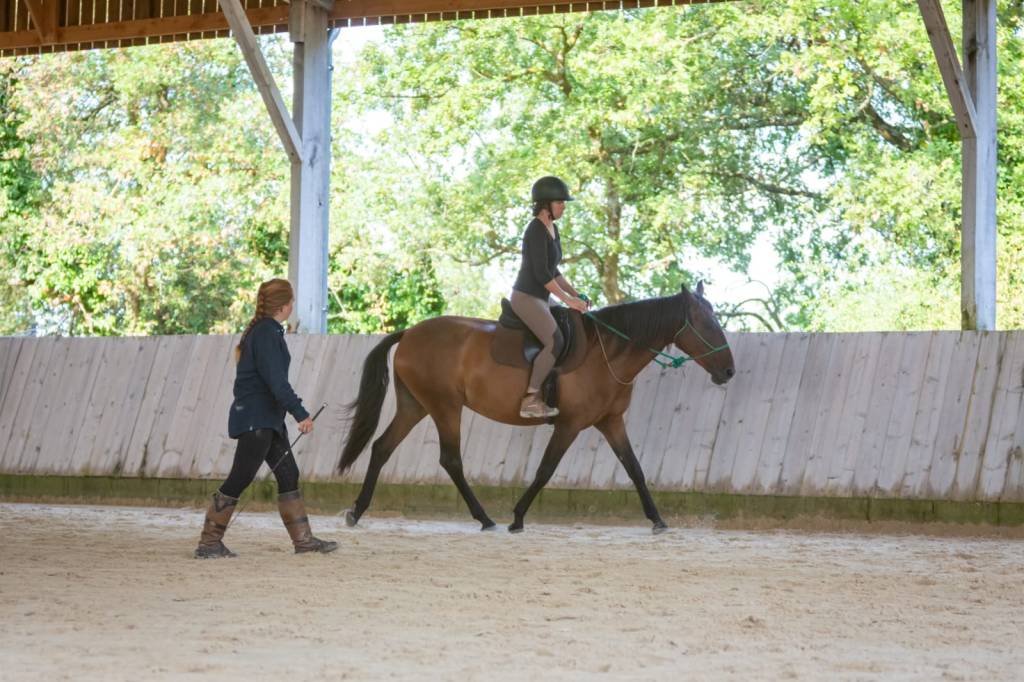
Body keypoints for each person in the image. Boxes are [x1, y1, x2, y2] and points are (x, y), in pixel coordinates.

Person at [194, 278, 337, 558]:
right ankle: (209, 542)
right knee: (240, 477)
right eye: (292, 302)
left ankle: (303, 541)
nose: (293, 306)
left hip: (265, 419)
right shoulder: (266, 334)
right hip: (257, 420)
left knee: (288, 473)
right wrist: (300, 413)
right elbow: (277, 382)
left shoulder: (265, 332)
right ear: (283, 306)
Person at [510, 176, 590, 419]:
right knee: (554, 341)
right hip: (527, 296)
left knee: (571, 324)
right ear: (545, 205)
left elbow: (554, 270)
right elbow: (542, 274)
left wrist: (577, 295)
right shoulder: (535, 230)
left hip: (543, 296)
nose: (564, 206)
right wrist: (568, 300)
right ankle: (530, 399)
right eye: (560, 202)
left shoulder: (553, 229)